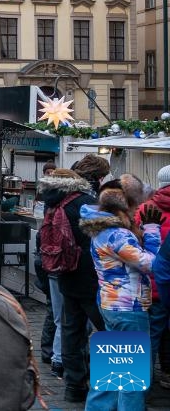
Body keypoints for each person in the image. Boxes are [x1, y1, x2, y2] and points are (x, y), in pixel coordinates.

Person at [78, 187, 162, 411]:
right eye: (134, 208)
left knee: (112, 369)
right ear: (122, 209)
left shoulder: (102, 230)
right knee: (132, 378)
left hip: (111, 304)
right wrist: (153, 232)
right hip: (129, 307)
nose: (136, 213)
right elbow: (149, 264)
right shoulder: (118, 234)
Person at [37, 168, 101, 402]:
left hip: (65, 275)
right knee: (107, 330)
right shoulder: (86, 202)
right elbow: (105, 237)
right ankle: (114, 386)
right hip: (92, 277)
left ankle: (74, 386)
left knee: (71, 331)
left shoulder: (53, 202)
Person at [136, 164, 170, 389]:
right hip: (162, 284)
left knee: (143, 338)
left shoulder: (145, 209)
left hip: (141, 287)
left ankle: (135, 388)